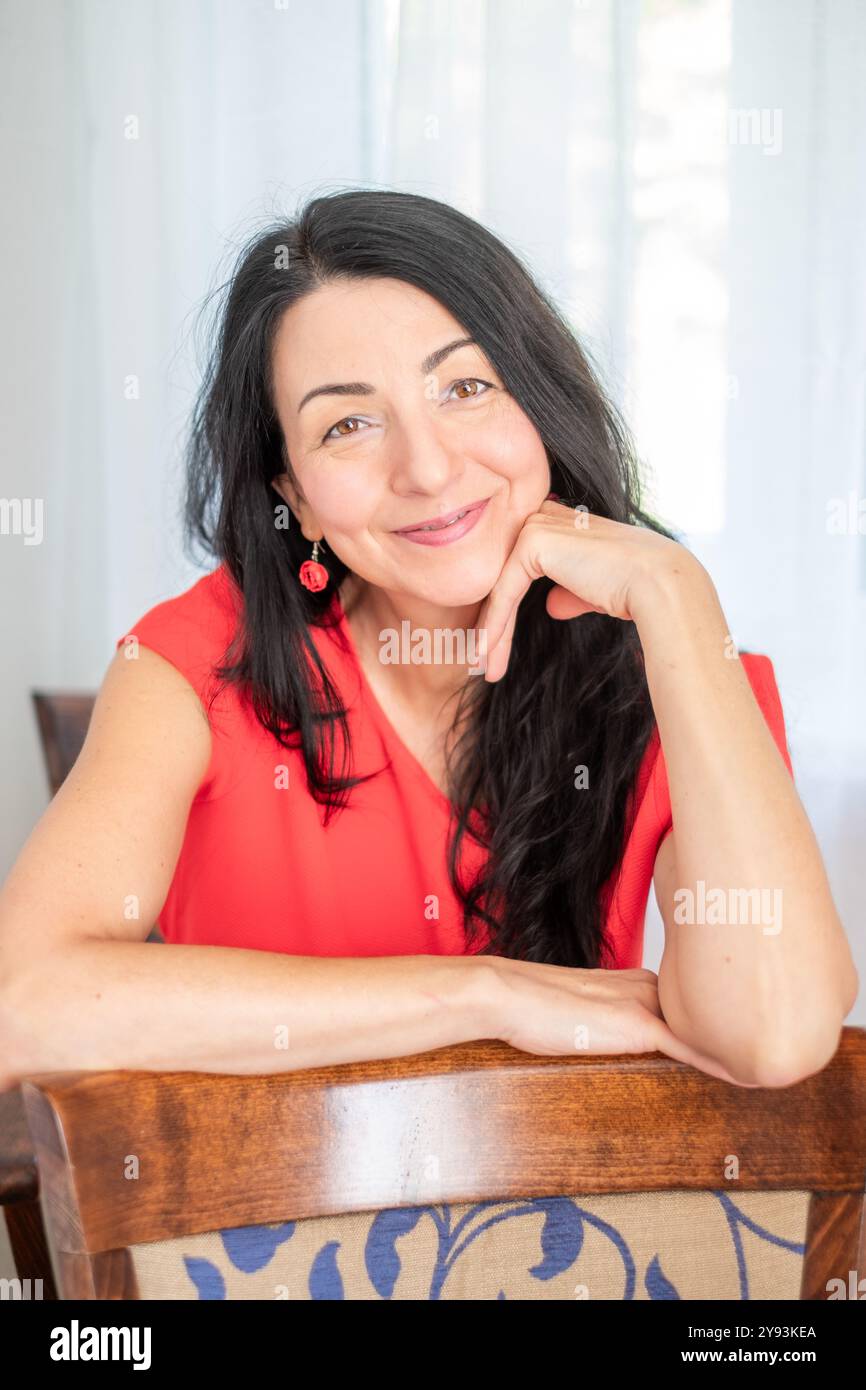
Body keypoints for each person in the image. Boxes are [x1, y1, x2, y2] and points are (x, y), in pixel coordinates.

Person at [0, 190, 857, 1092]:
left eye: (466, 386)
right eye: (348, 424)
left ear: (541, 401)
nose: (429, 467)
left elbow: (774, 1033)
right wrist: (481, 997)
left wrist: (677, 594)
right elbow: (21, 1006)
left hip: (559, 1227)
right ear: (293, 495)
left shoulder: (674, 663)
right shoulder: (190, 666)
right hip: (263, 1225)